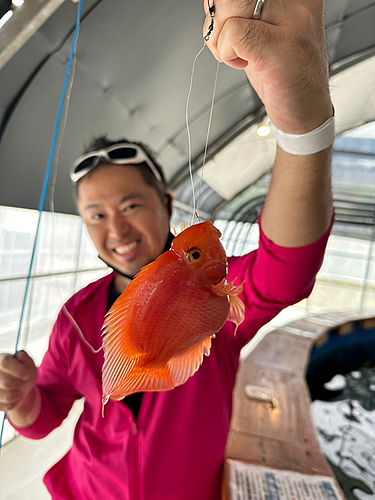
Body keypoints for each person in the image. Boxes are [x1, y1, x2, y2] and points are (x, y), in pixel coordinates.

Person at [0, 0, 334, 498]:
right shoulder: (76, 315)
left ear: (167, 203)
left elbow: (287, 268)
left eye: (131, 204)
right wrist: (20, 396)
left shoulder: (216, 297)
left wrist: (303, 125)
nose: (117, 228)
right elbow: (43, 415)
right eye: (96, 214)